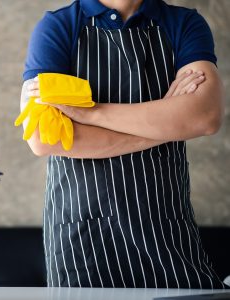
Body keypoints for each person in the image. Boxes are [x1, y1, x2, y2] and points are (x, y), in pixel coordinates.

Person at [20, 0, 227, 288]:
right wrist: (168, 122)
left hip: (166, 233)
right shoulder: (58, 27)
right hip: (83, 240)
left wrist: (92, 112)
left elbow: (205, 116)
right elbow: (44, 138)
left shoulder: (184, 23)